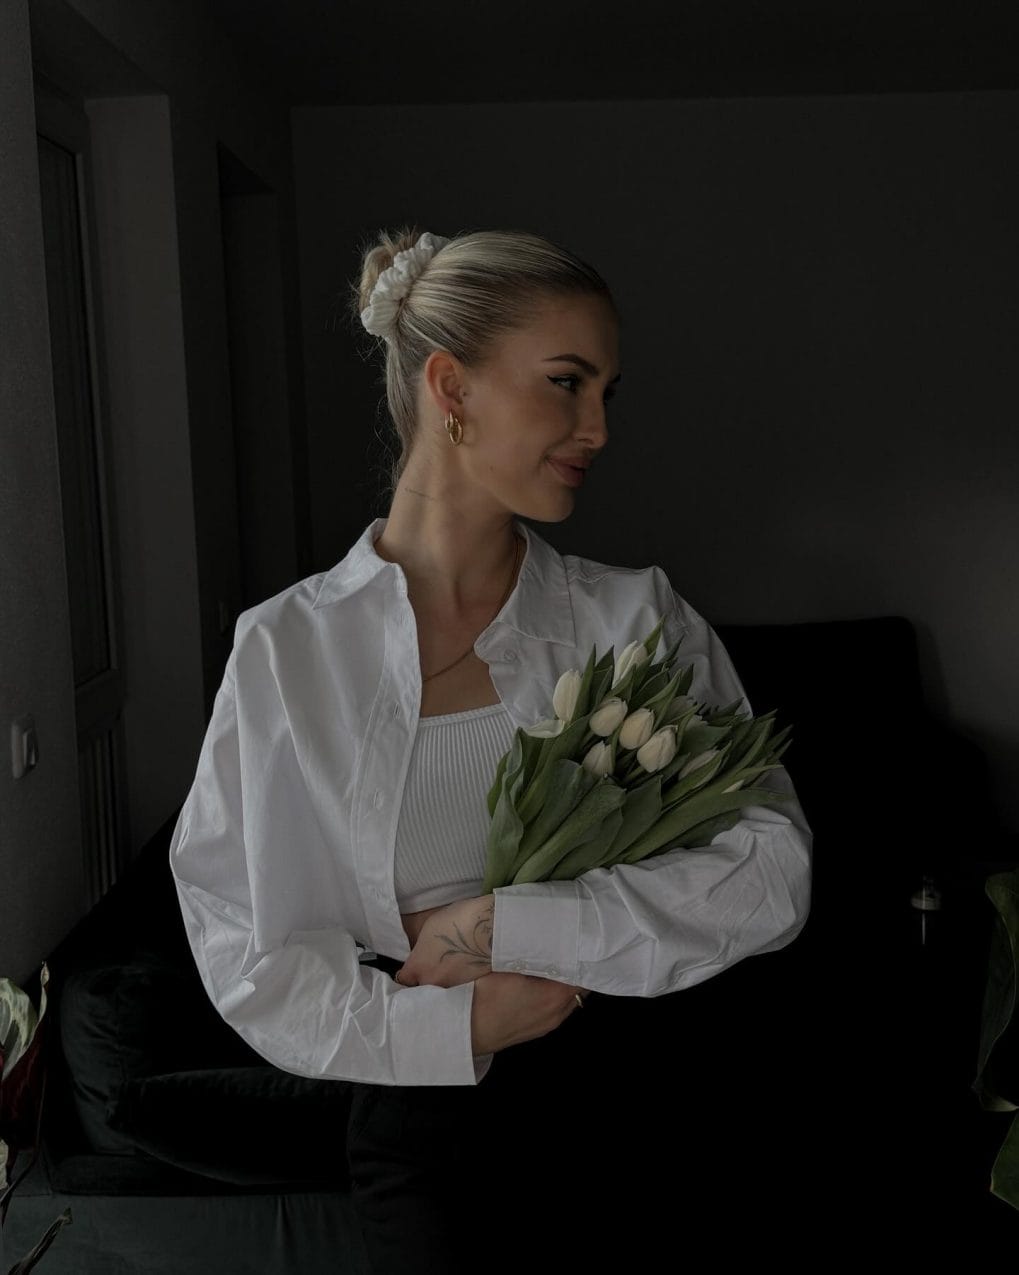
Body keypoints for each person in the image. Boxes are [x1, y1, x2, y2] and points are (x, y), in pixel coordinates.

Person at [168, 226, 813, 1270]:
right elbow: (242, 940)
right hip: (423, 1129)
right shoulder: (287, 649)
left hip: (651, 1096)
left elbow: (771, 870)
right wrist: (452, 1031)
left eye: (608, 392)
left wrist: (497, 924)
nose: (596, 427)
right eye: (566, 383)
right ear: (449, 387)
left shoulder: (632, 620)